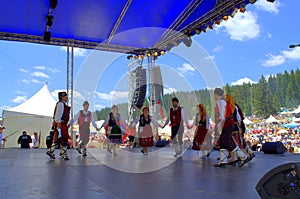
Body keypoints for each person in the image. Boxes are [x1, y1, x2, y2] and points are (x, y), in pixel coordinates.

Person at [213, 88, 248, 167]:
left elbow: (222, 116)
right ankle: (223, 161)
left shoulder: (220, 102)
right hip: (227, 124)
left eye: (214, 95)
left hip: (225, 124)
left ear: (216, 94)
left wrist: (219, 127)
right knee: (222, 143)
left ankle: (243, 156)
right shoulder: (223, 101)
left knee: (228, 142)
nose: (214, 96)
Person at [47, 91, 71, 160]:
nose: (67, 97)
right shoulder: (60, 104)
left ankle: (52, 151)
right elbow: (57, 115)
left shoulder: (62, 104)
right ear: (62, 97)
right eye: (65, 96)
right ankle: (63, 153)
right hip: (61, 124)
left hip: (62, 123)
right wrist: (59, 123)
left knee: (59, 139)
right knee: (63, 138)